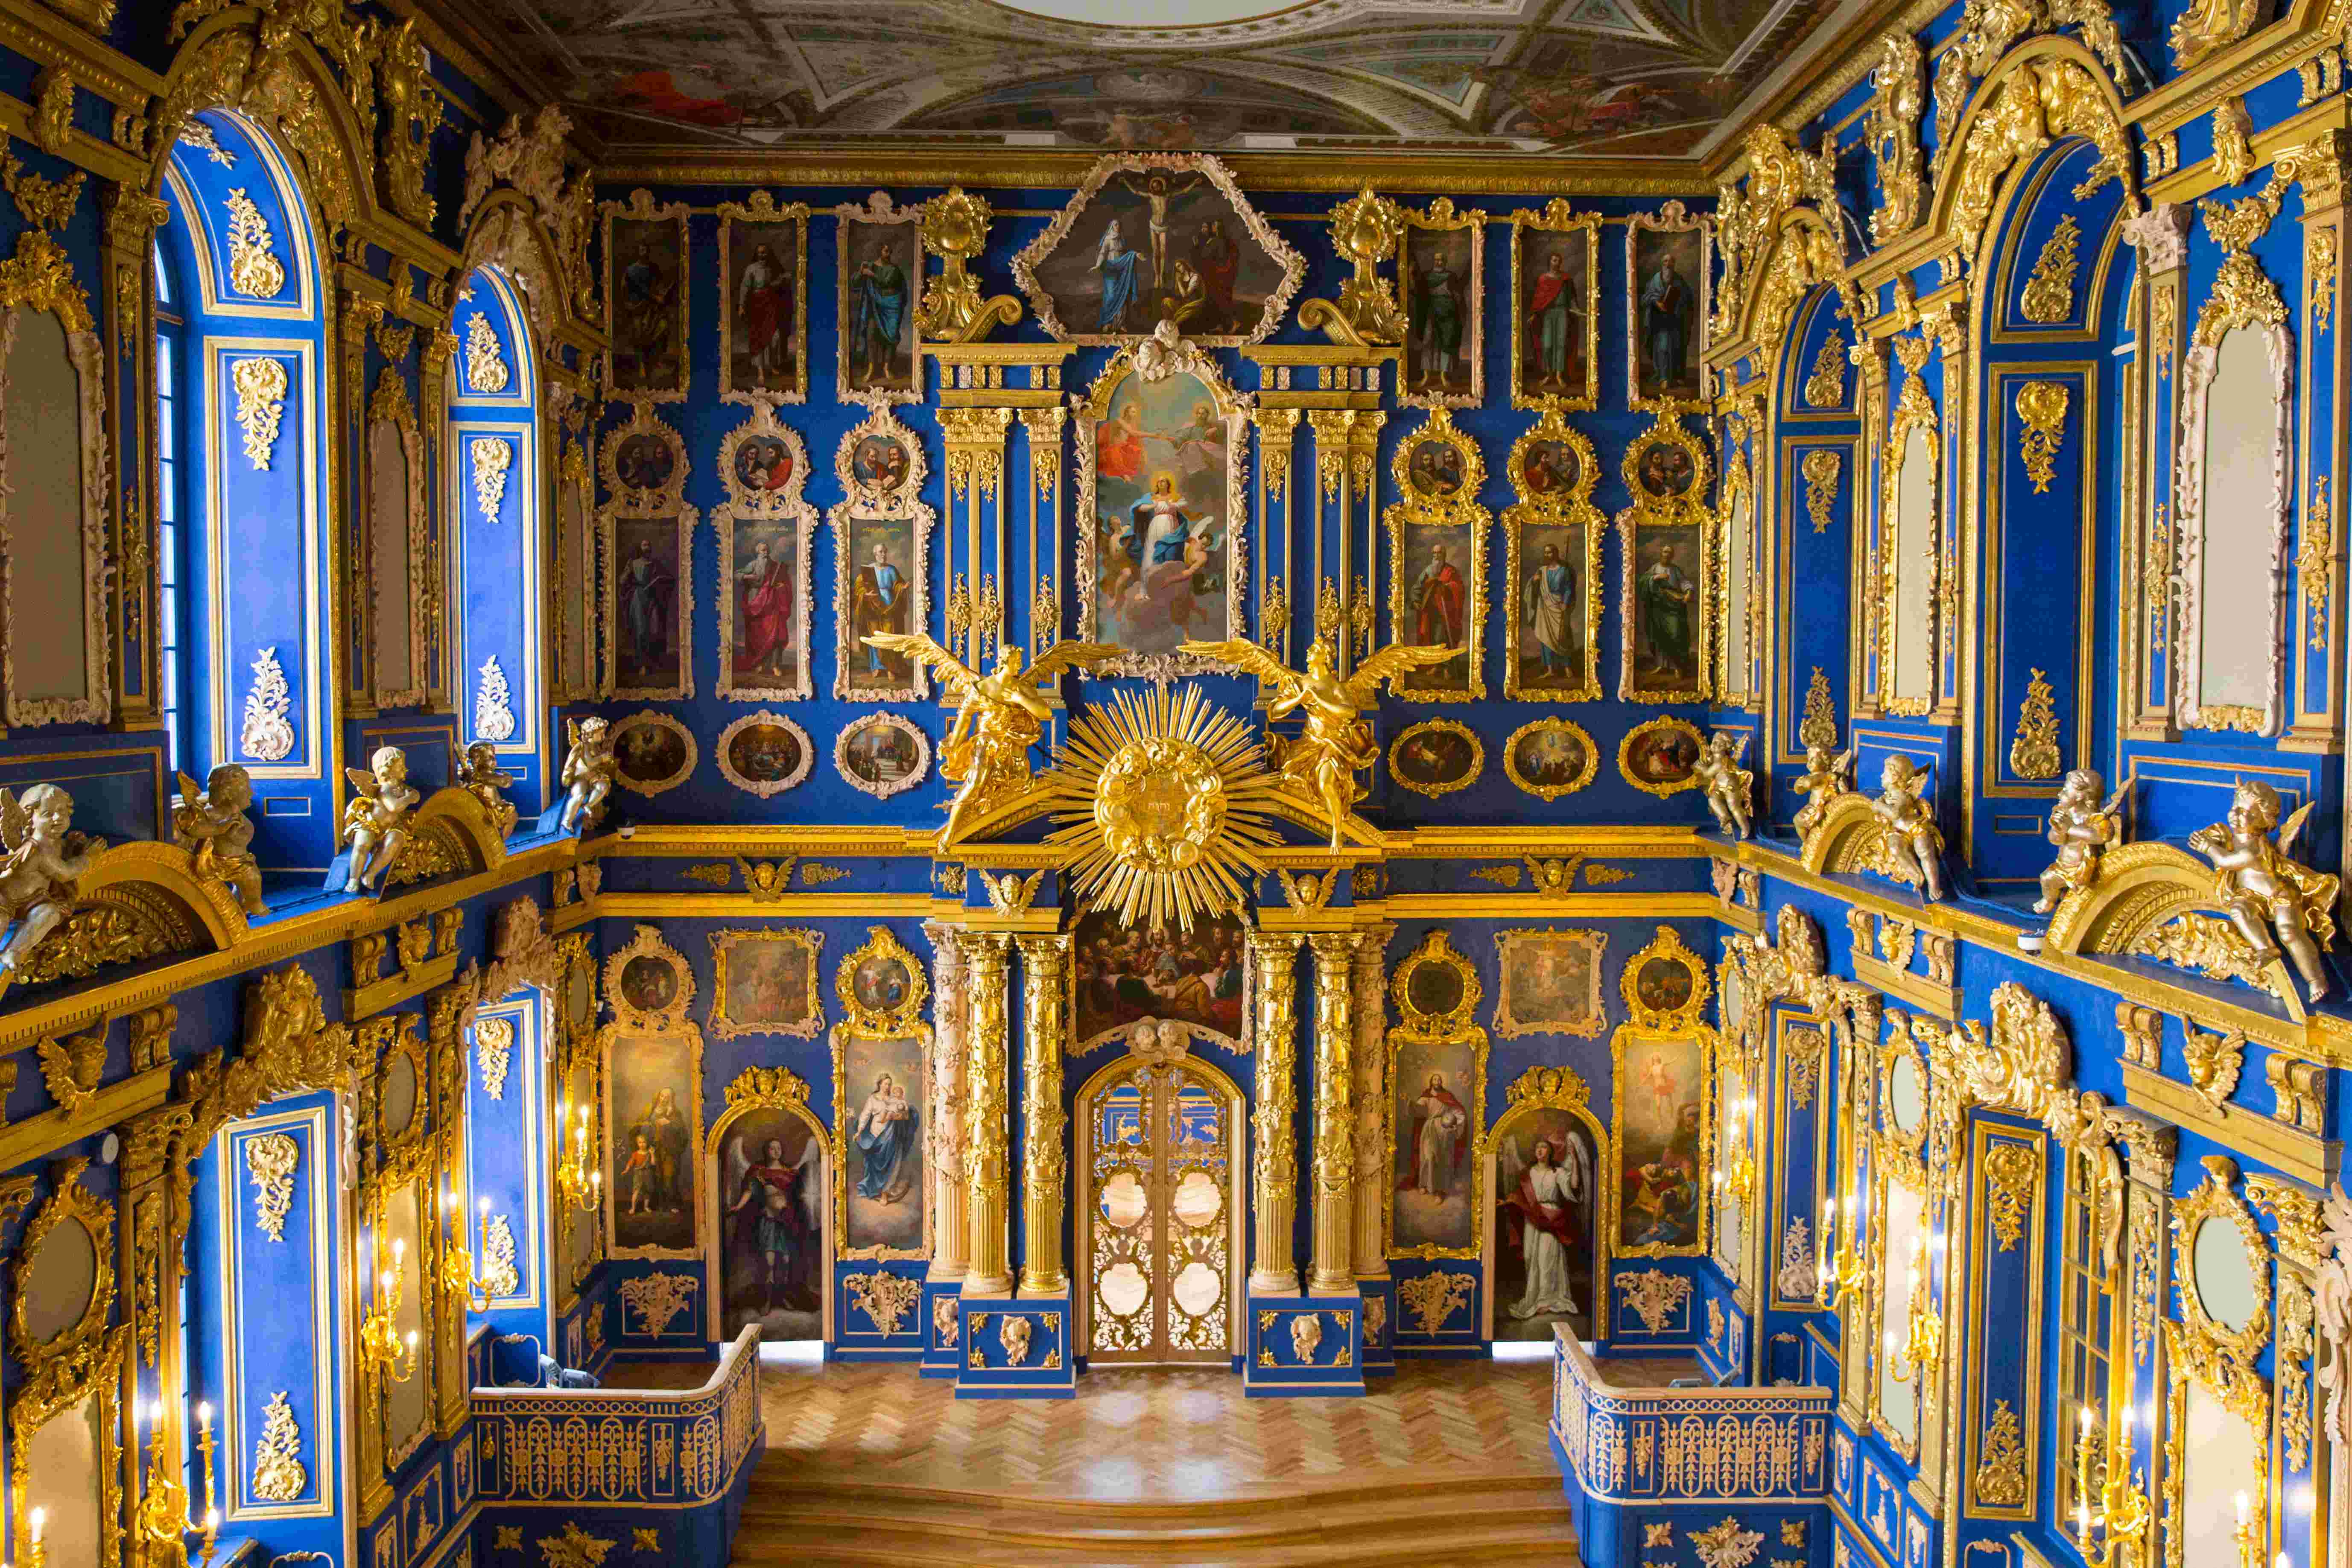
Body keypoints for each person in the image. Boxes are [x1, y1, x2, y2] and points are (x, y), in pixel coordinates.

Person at [1505, 1137, 1588, 1320]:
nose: (1540, 1151)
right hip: (1532, 1218)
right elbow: (1520, 1196)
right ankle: (1534, 1297)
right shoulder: (1529, 1173)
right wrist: (1509, 1201)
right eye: (1538, 1148)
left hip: (1551, 1218)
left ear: (1550, 1151)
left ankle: (1547, 1300)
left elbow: (1574, 1186)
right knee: (1530, 1257)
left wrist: (1575, 1160)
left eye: (1544, 1147)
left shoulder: (1557, 1173)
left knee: (1546, 1258)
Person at [729, 1137, 811, 1312]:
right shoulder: (759, 1172)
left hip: (787, 1222)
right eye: (772, 1148)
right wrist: (739, 1207)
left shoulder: (790, 1173)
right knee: (770, 1264)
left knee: (786, 1263)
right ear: (766, 1151)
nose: (776, 1151)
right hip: (769, 1221)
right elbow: (749, 1191)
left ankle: (782, 1298)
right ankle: (766, 1300)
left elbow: (800, 1196)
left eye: (778, 1147)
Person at [1403, 1071, 1469, 1200]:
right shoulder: (1427, 1096)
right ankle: (1424, 1184)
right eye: (1435, 1079)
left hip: (1444, 1130)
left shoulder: (1447, 1096)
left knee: (1442, 1160)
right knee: (1428, 1157)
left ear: (1442, 1082)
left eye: (1439, 1080)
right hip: (1429, 1128)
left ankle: (1440, 1191)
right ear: (1431, 1082)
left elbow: (1458, 1112)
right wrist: (1408, 1101)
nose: (1437, 1082)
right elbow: (1418, 1109)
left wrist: (1456, 1124)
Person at [849, 242, 908, 383]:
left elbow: (887, 282)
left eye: (890, 251)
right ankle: (871, 369)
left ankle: (887, 368)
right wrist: (861, 272)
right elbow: (855, 284)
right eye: (886, 251)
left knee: (891, 338)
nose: (889, 254)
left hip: (892, 307)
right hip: (875, 307)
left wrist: (871, 275)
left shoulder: (894, 270)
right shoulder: (870, 266)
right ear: (879, 251)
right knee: (871, 336)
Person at [735, 537, 794, 680]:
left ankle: (775, 665)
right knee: (759, 634)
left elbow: (785, 583)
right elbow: (737, 574)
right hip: (756, 602)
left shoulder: (775, 566)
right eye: (763, 550)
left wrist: (782, 587)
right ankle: (760, 663)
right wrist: (748, 576)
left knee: (776, 633)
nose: (766, 553)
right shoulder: (753, 565)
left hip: (773, 603)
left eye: (767, 550)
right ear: (758, 552)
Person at [735, 239, 792, 387]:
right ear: (756, 254)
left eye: (765, 253)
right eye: (760, 253)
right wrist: (741, 306)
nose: (762, 255)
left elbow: (774, 285)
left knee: (775, 337)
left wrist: (783, 280)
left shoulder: (773, 268)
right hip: (756, 306)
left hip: (771, 305)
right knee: (758, 338)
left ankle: (772, 364)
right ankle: (760, 372)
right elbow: (745, 287)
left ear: (768, 254)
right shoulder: (751, 269)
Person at [853, 1073, 917, 1203]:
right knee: (876, 1161)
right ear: (880, 1084)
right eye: (886, 1084)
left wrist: (901, 1115)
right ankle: (874, 1188)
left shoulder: (894, 1099)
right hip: (876, 1133)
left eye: (890, 1084)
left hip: (892, 1132)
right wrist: (859, 1131)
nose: (888, 1087)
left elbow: (903, 1113)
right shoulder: (873, 1099)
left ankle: (885, 1193)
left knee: (892, 1161)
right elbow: (865, 1115)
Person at [1637, 543, 1695, 679]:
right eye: (1665, 552)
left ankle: (1677, 667)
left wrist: (1688, 593)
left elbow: (1684, 582)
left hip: (1674, 606)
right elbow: (1643, 581)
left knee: (1676, 635)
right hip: (1658, 607)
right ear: (1661, 553)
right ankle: (1662, 665)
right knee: (1660, 636)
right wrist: (1656, 577)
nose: (1667, 555)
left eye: (1669, 553)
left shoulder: (1675, 570)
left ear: (1672, 556)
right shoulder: (1655, 568)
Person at [1523, 541, 1578, 684]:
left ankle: (1567, 667)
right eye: (1546, 552)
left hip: (1558, 605)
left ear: (1556, 554)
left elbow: (1568, 589)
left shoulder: (1564, 571)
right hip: (1544, 607)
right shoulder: (1542, 570)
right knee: (1545, 637)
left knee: (1563, 637)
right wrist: (1534, 581)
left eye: (1550, 552)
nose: (1547, 555)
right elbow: (1532, 588)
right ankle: (1550, 669)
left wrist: (1566, 603)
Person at [853, 542, 908, 680]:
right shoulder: (868, 570)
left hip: (889, 606)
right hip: (872, 606)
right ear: (875, 554)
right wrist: (865, 595)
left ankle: (890, 668)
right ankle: (877, 667)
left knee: (888, 636)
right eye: (880, 552)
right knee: (874, 636)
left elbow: (897, 585)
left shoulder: (892, 570)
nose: (883, 555)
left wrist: (903, 588)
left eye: (885, 552)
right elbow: (859, 588)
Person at [1639, 252, 1692, 393]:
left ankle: (1676, 376)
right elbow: (1645, 298)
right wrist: (1657, 302)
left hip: (1675, 320)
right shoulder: (1655, 280)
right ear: (1662, 264)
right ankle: (1663, 377)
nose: (1668, 264)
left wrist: (1678, 302)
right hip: (1659, 321)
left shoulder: (1679, 281)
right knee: (1663, 348)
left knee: (1676, 348)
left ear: (1674, 264)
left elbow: (1688, 299)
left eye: (1671, 262)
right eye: (1666, 262)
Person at [619, 538, 673, 674]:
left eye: (649, 545)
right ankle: (642, 665)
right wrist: (627, 571)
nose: (647, 547)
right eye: (644, 545)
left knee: (655, 630)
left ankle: (653, 662)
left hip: (652, 598)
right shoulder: (633, 563)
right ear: (640, 548)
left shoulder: (656, 564)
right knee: (641, 631)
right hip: (638, 597)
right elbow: (622, 581)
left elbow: (667, 579)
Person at [1528, 248, 1579, 389]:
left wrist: (1577, 310)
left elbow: (1572, 298)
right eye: (1554, 260)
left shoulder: (1566, 280)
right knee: (1547, 345)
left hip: (1562, 313)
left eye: (1559, 261)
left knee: (1561, 344)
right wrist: (1534, 314)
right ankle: (1549, 374)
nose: (1557, 263)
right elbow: (1539, 300)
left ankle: (1559, 375)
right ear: (1550, 262)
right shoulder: (1543, 279)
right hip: (1548, 314)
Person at [1414, 246, 1465, 388]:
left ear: (1445, 262)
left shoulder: (1451, 277)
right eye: (1436, 260)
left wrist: (1456, 305)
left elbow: (1458, 296)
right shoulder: (1426, 277)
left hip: (1448, 315)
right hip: (1431, 313)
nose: (1439, 262)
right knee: (1428, 343)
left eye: (1441, 260)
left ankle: (1444, 376)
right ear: (1434, 261)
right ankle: (1426, 376)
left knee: (1446, 345)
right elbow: (1419, 293)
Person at [1413, 543, 1466, 660]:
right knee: (1430, 638)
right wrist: (1416, 600)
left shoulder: (1451, 571)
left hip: (1445, 611)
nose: (1436, 556)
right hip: (1429, 611)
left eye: (1439, 553)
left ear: (1444, 555)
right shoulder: (1428, 571)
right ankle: (1434, 664)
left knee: (1441, 638)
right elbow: (1417, 587)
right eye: (1435, 553)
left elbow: (1459, 587)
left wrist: (1447, 587)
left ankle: (1445, 666)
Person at [1093, 219, 1143, 333]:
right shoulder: (1108, 239)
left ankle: (1121, 323)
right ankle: (1108, 322)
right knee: (1111, 296)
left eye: (1119, 225)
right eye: (1115, 225)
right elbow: (1102, 253)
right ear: (1111, 227)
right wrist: (1098, 265)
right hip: (1111, 269)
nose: (1118, 227)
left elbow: (1126, 254)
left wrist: (1134, 255)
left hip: (1121, 270)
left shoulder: (1122, 239)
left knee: (1123, 295)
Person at [1194, 216, 1238, 330]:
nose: (1212, 227)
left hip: (1216, 276)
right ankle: (1219, 325)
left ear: (1218, 228)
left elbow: (1219, 259)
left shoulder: (1219, 241)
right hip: (1211, 275)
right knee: (1214, 300)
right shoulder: (1214, 240)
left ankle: (1230, 324)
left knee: (1219, 300)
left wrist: (1211, 263)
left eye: (1214, 225)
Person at [1098, 400, 1146, 482]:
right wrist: (1153, 435)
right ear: (1127, 413)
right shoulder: (1120, 422)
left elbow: (1133, 435)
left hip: (1123, 448)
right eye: (1133, 412)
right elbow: (1134, 433)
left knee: (1137, 452)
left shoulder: (1129, 425)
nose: (1135, 415)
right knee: (1123, 474)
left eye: (1135, 413)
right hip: (1115, 449)